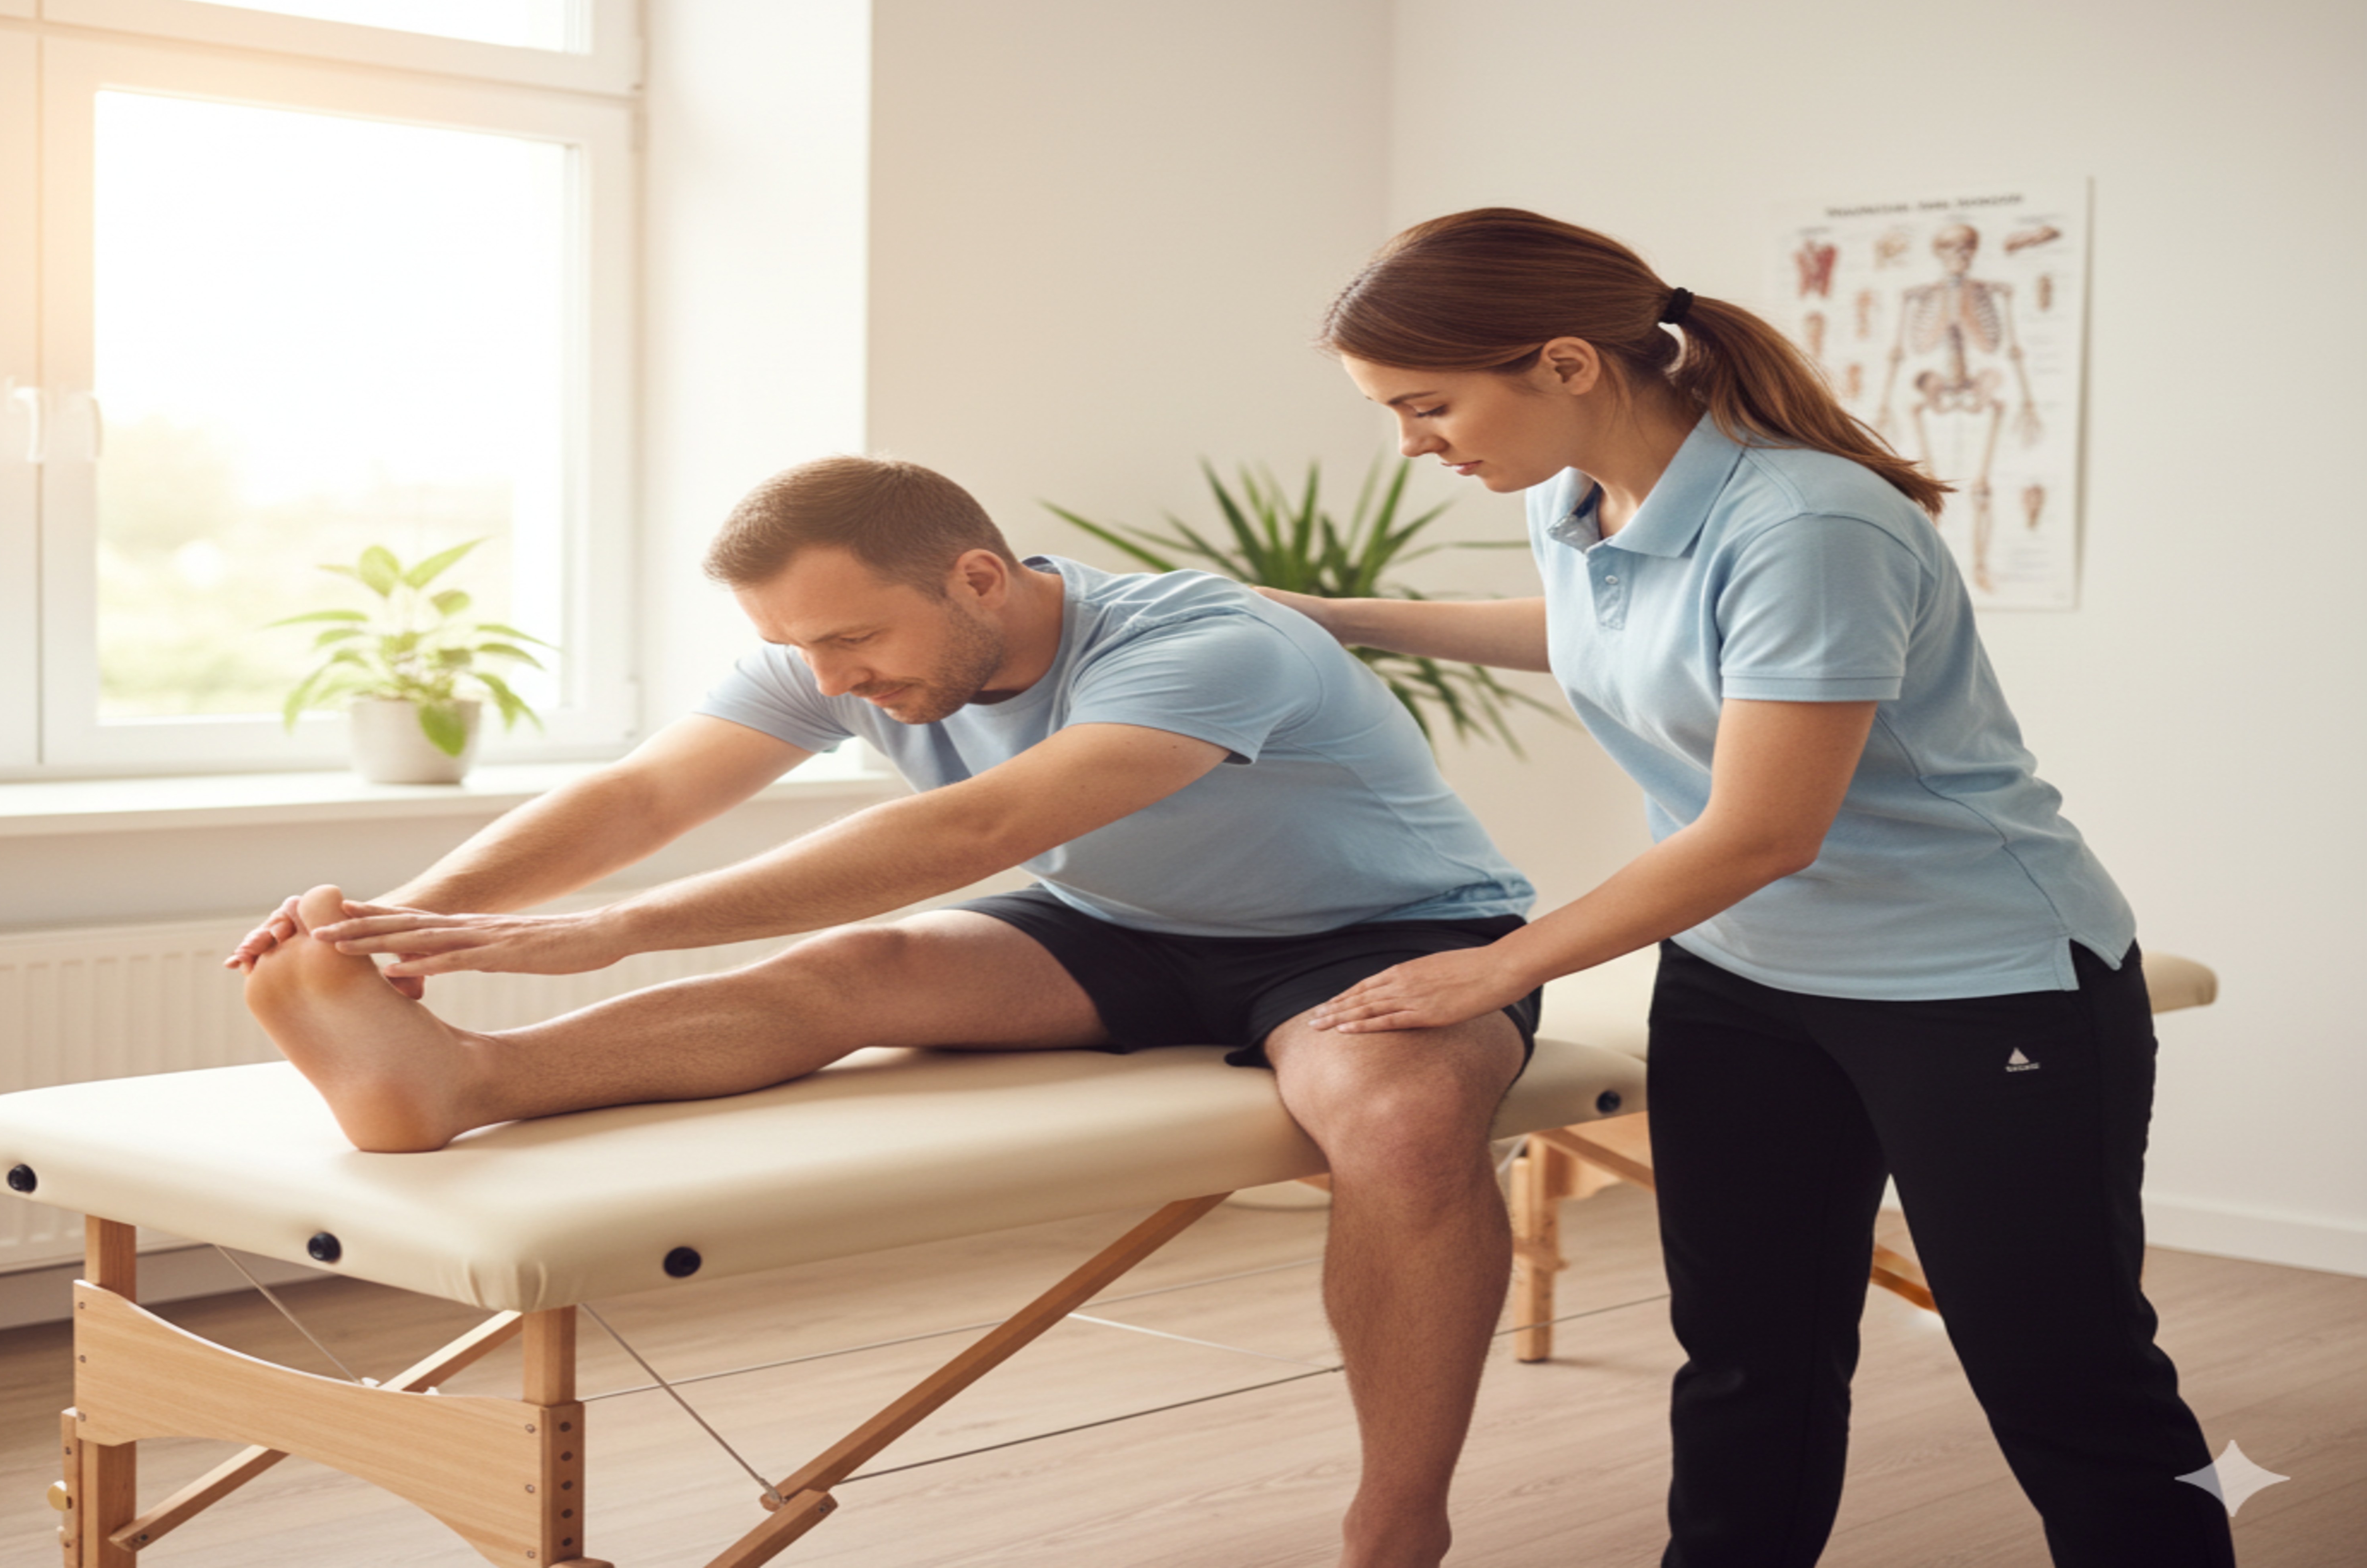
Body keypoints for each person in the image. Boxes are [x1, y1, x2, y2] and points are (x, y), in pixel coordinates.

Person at [230, 455, 1541, 1568]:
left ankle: (1395, 1523)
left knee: (1401, 1125)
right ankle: (468, 1076)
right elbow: (642, 800)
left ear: (979, 576)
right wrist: (391, 927)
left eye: (852, 641)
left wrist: (616, 928)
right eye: (800, 650)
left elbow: (986, 824)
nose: (832, 679)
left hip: (1384, 934)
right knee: (851, 968)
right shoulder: (835, 652)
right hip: (1125, 929)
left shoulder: (1207, 641)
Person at [1264, 207, 2233, 1568]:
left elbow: (1766, 829)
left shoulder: (1811, 522)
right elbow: (1610, 626)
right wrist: (1335, 619)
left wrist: (1500, 965)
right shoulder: (1579, 497)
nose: (1415, 444)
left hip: (1975, 981)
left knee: (2066, 1380)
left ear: (1564, 364)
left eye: (1426, 406)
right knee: (1745, 1366)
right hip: (1749, 982)